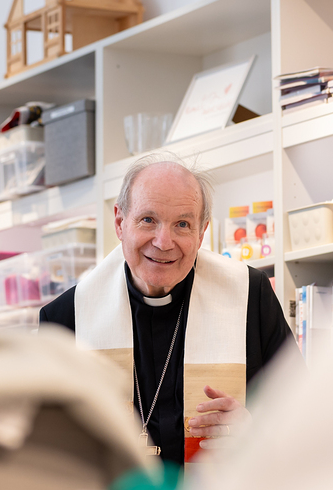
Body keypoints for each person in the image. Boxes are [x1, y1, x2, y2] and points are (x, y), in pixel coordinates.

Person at [40, 153, 297, 466]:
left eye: (182, 224)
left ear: (201, 234)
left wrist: (255, 430)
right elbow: (44, 451)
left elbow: (304, 418)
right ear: (120, 223)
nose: (163, 242)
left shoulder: (250, 295)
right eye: (148, 220)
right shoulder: (66, 318)